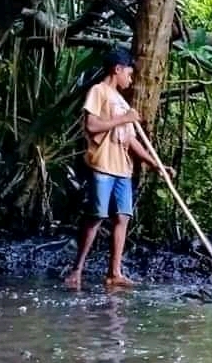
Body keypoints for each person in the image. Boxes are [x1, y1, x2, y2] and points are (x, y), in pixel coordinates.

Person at [64, 49, 171, 290]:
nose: (130, 80)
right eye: (129, 75)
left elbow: (132, 141)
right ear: (118, 70)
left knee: (123, 217)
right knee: (97, 216)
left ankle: (115, 272)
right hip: (102, 165)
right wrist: (125, 118)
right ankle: (77, 269)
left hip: (124, 168)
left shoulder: (122, 102)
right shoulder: (98, 91)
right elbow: (91, 126)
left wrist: (156, 165)